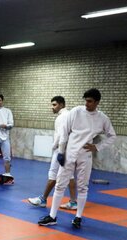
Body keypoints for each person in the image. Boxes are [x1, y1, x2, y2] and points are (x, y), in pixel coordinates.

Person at [38, 88, 116, 229]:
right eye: (85, 100)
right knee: (60, 184)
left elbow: (112, 136)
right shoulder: (76, 111)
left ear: (97, 102)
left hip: (85, 155)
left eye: (90, 101)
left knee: (82, 187)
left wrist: (97, 147)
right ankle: (52, 216)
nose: (87, 104)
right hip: (69, 153)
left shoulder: (102, 118)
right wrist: (61, 152)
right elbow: (64, 132)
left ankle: (78, 217)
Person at [27, 96, 78, 209]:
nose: (52, 107)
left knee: (53, 174)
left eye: (54, 105)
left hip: (61, 150)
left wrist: (54, 146)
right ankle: (74, 202)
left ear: (61, 105)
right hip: (69, 150)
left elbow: (61, 134)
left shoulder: (62, 117)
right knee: (70, 176)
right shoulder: (69, 115)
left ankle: (43, 199)